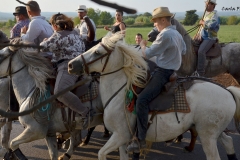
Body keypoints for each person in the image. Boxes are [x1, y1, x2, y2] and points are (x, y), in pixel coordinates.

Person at [126, 7, 186, 152]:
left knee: (142, 100)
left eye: (156, 21)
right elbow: (183, 50)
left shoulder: (165, 34)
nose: (154, 24)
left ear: (164, 20)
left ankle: (140, 139)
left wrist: (142, 45)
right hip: (172, 71)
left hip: (163, 73)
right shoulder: (177, 33)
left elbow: (148, 54)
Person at [40, 13, 91, 128]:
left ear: (55, 25)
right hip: (82, 63)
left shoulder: (58, 35)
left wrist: (45, 40)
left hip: (68, 65)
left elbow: (42, 47)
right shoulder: (75, 32)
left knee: (60, 92)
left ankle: (85, 112)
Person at [195, 0, 220, 76]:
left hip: (210, 38)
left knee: (201, 51)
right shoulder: (206, 14)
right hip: (203, 36)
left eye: (207, 4)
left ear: (213, 5)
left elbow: (211, 25)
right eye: (206, 3)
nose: (206, 5)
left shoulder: (214, 14)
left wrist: (203, 22)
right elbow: (202, 28)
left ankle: (200, 72)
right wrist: (198, 34)